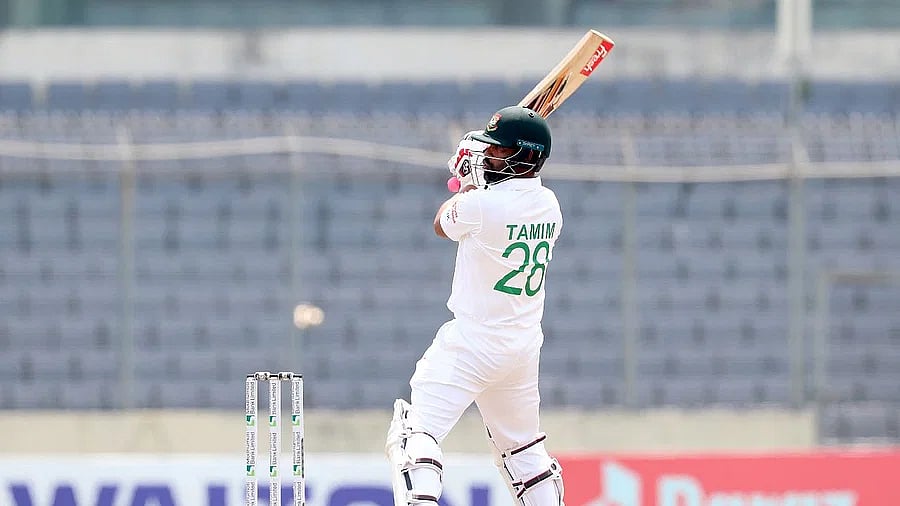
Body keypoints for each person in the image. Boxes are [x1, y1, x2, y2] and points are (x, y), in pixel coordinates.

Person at [385, 105, 565, 506]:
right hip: (521, 347)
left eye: (498, 150)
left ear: (525, 155)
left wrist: (467, 184)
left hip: (473, 341)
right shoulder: (550, 205)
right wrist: (477, 183)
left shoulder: (483, 206)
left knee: (414, 432)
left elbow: (442, 224)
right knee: (523, 453)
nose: (489, 155)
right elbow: (496, 203)